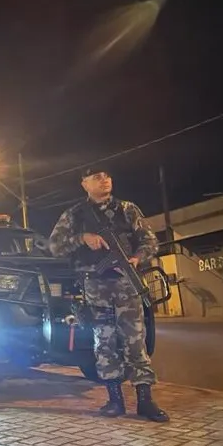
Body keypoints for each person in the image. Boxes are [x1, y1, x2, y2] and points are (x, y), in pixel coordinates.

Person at [49, 168, 169, 422]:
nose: (104, 180)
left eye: (107, 175)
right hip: (95, 286)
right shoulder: (75, 215)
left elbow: (150, 241)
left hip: (126, 284)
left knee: (136, 342)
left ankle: (145, 401)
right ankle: (115, 400)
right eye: (96, 177)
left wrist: (137, 258)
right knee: (104, 342)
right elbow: (55, 246)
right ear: (84, 184)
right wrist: (83, 238)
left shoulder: (127, 209)